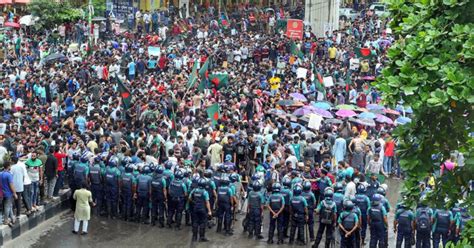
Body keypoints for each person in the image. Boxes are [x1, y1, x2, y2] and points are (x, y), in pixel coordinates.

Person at [188, 178, 212, 242]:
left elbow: (189, 198)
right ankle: (202, 237)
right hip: (202, 209)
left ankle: (194, 237)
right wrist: (209, 211)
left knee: (195, 222)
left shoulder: (194, 190)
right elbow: (207, 202)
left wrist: (193, 202)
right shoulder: (205, 192)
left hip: (195, 208)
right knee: (202, 223)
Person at [2, 161, 18, 226]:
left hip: (2, 193)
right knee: (7, 207)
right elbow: (11, 185)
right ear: (8, 166)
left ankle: (12, 218)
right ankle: (6, 220)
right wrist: (15, 193)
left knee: (9, 205)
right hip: (8, 193)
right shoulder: (9, 175)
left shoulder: (0, 173)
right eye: (10, 166)